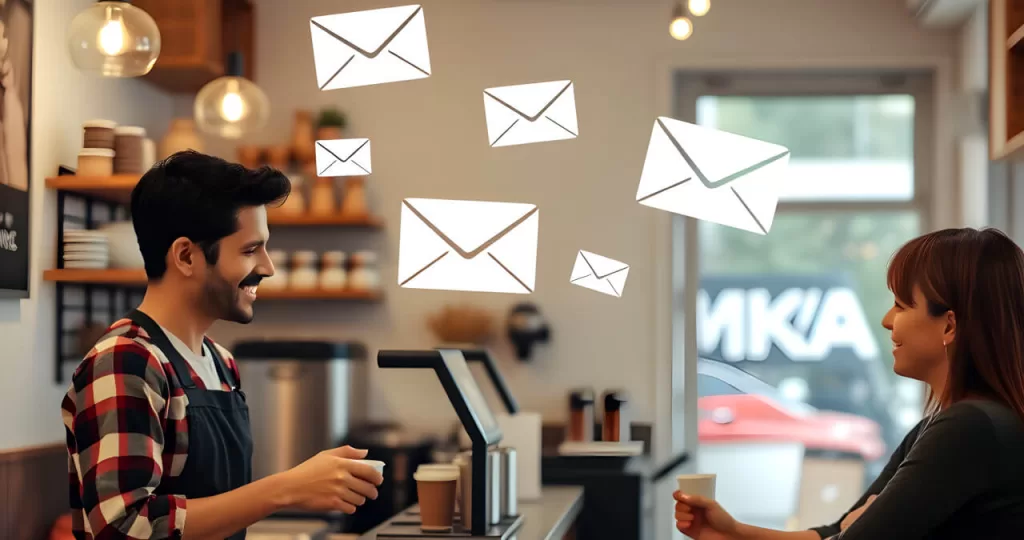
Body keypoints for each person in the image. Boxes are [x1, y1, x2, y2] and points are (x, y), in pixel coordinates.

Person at [61, 151, 383, 540]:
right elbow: (123, 527)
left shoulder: (221, 362)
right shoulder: (126, 360)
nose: (268, 267)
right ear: (185, 256)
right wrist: (285, 489)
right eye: (250, 250)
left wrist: (299, 490)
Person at [674, 227, 1024, 540]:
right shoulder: (940, 427)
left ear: (949, 326)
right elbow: (834, 532)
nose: (888, 321)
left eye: (902, 306)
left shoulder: (969, 428)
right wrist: (731, 532)